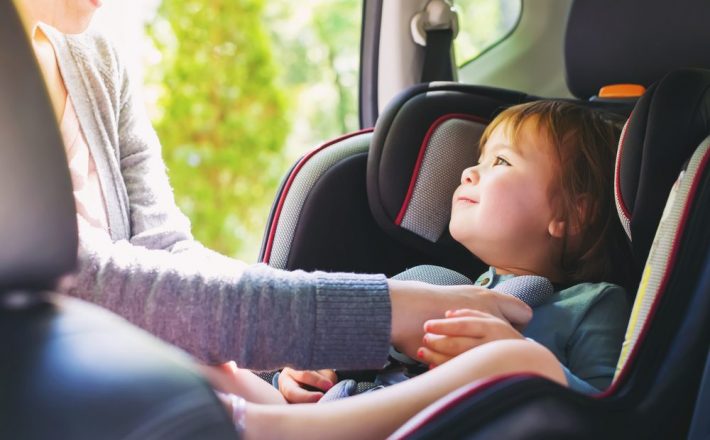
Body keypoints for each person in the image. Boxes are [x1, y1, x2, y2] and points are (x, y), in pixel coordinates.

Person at [14, 0, 532, 373]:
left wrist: (288, 356)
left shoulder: (96, 62)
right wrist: (385, 310)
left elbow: (165, 251)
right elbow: (79, 280)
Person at [209, 99, 632, 438]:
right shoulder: (430, 284)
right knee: (209, 367)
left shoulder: (593, 304)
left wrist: (523, 362)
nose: (469, 172)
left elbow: (606, 416)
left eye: (501, 162)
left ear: (573, 216)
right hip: (338, 411)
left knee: (516, 361)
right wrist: (304, 374)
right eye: (478, 160)